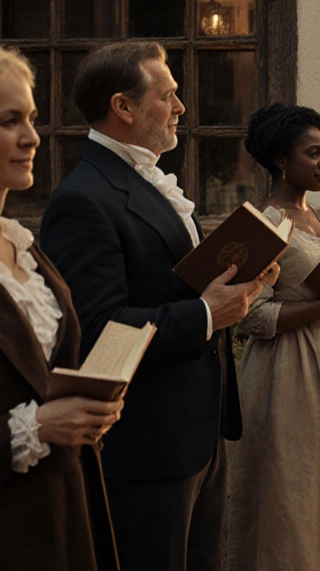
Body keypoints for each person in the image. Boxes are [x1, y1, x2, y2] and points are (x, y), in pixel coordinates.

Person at [41, 41, 265, 571]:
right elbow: (96, 329)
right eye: (168, 96)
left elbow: (170, 285)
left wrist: (239, 281)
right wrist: (206, 315)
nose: (181, 108)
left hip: (198, 434)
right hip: (146, 446)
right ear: (123, 106)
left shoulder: (149, 179)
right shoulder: (82, 198)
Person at [225, 103, 320, 570]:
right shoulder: (265, 223)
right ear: (280, 161)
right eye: (312, 154)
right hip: (287, 373)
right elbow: (249, 317)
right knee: (294, 488)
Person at [0, 47, 120, 569]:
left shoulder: (21, 244)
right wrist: (38, 428)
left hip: (64, 508)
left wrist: (88, 407)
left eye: (31, 118)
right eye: (9, 121)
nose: (32, 137)